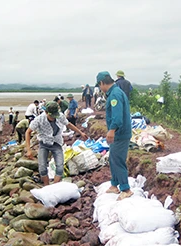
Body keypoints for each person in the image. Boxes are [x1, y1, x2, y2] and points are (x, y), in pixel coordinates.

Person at [25, 101, 88, 185]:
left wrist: (80, 133)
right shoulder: (39, 119)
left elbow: (68, 124)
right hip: (44, 143)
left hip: (56, 143)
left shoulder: (60, 116)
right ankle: (47, 186)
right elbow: (28, 132)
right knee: (42, 168)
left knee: (60, 167)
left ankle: (54, 186)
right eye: (51, 116)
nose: (53, 118)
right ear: (46, 112)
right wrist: (28, 150)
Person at [96, 71, 133, 200]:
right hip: (118, 133)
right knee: (113, 158)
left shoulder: (115, 95)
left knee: (118, 160)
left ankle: (126, 189)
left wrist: (111, 130)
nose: (100, 88)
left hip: (120, 133)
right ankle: (114, 184)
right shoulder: (114, 92)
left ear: (102, 83)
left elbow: (117, 117)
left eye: (99, 85)